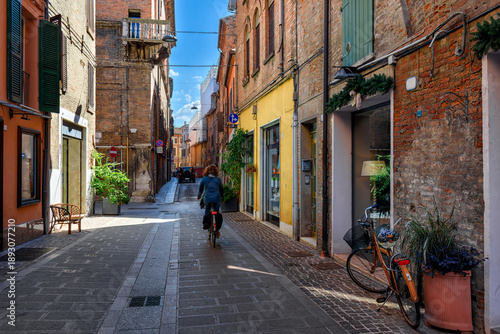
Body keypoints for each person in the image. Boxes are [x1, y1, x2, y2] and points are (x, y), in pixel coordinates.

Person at [197, 164, 224, 234]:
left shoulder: (204, 179)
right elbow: (221, 189)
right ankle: (217, 229)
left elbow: (200, 189)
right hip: (216, 199)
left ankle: (206, 224)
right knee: (216, 211)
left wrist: (199, 196)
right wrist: (222, 196)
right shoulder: (218, 179)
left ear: (207, 172)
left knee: (207, 210)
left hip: (208, 199)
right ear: (216, 172)